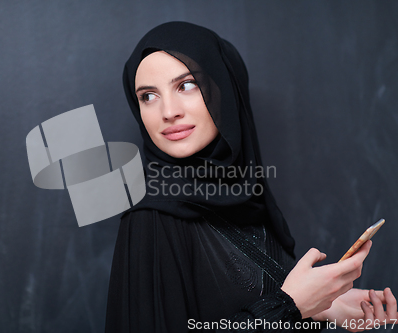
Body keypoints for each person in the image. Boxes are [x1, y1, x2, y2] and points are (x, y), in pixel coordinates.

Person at [105, 21, 396, 332]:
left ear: (226, 91)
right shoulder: (152, 217)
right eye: (148, 95)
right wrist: (291, 306)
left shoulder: (246, 198)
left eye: (186, 85)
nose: (168, 111)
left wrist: (322, 308)